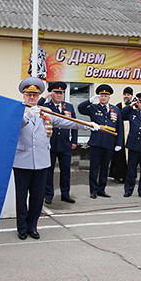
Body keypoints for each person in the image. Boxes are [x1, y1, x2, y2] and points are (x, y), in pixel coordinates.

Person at [14, 77, 97, 240]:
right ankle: (22, 227)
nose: (32, 98)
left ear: (39, 97)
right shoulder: (17, 111)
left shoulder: (45, 113)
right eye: (29, 95)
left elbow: (67, 122)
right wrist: (27, 116)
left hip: (42, 161)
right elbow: (12, 127)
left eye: (35, 95)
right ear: (24, 96)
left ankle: (33, 226)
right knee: (21, 197)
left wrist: (88, 124)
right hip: (22, 162)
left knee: (37, 198)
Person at [78, 84, 124, 199]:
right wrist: (89, 100)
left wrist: (119, 143)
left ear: (109, 97)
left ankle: (101, 189)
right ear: (99, 97)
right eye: (101, 95)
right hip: (96, 142)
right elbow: (80, 109)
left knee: (104, 168)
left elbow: (120, 128)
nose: (103, 97)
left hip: (109, 142)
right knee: (94, 168)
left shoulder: (115, 109)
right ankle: (93, 190)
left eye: (105, 96)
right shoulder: (93, 108)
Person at [37, 82, 78, 205]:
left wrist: (74, 140)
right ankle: (48, 194)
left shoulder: (69, 107)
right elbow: (35, 108)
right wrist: (44, 97)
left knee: (66, 171)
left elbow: (74, 124)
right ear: (51, 94)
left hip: (65, 144)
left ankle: (65, 194)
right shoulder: (46, 106)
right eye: (56, 93)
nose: (59, 95)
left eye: (61, 93)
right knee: (49, 171)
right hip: (50, 144)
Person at [109, 86, 132, 183]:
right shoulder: (118, 106)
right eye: (125, 94)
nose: (126, 97)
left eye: (128, 95)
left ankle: (129, 175)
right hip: (121, 133)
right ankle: (118, 175)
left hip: (131, 133)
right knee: (119, 156)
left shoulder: (135, 105)